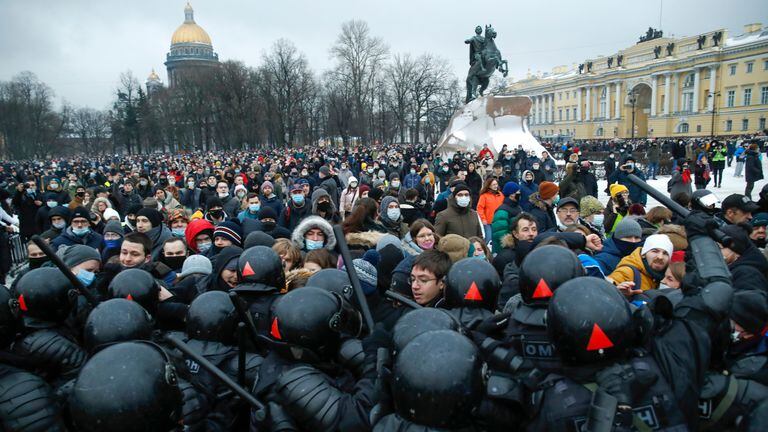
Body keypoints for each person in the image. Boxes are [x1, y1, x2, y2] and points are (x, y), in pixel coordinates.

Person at [608, 233, 673, 295]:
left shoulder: (666, 278)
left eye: (665, 253)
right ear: (644, 254)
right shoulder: (627, 272)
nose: (660, 257)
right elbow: (605, 293)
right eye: (655, 251)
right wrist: (622, 294)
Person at [718, 223, 768, 293]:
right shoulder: (736, 268)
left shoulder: (747, 275)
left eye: (719, 247)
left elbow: (748, 302)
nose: (715, 251)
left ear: (735, 251)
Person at [477, 177, 504, 245]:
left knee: (498, 238)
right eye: (493, 185)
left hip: (498, 220)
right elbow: (480, 208)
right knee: (488, 238)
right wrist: (483, 219)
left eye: (496, 184)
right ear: (489, 186)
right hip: (488, 221)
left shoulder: (500, 194)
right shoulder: (484, 196)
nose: (495, 186)